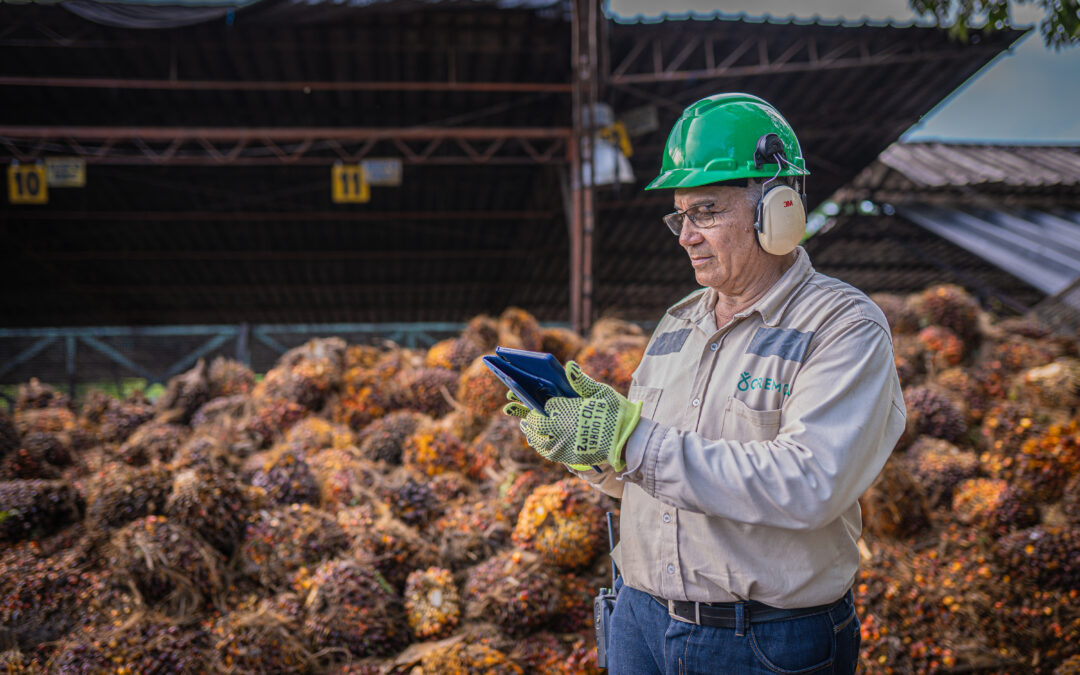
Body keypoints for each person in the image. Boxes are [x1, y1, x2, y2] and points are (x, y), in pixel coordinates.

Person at [503, 93, 905, 674]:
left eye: (706, 211)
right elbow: (649, 476)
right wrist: (590, 453)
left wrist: (629, 439)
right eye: (679, 215)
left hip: (762, 641)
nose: (685, 235)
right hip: (639, 620)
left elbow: (811, 483)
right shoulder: (678, 322)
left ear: (778, 207)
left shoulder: (842, 325)